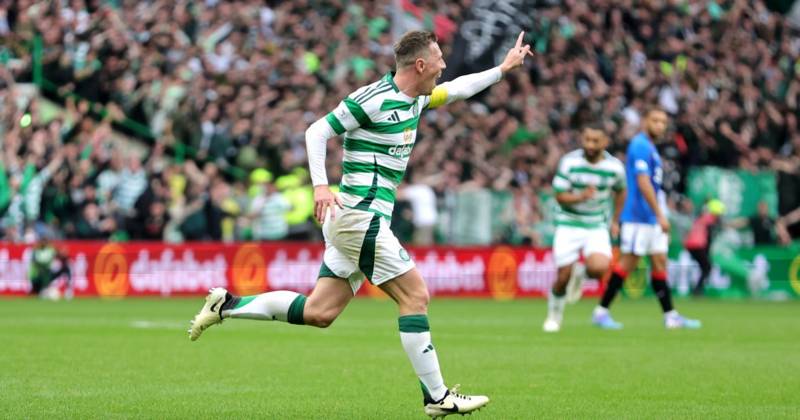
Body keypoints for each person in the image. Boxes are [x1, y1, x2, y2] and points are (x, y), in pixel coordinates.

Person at [189, 30, 533, 417]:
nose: (443, 66)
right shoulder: (373, 99)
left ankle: (228, 305)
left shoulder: (417, 99)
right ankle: (437, 398)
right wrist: (321, 186)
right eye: (439, 59)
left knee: (319, 312)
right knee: (415, 297)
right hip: (358, 217)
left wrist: (502, 69)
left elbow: (457, 89)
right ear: (420, 65)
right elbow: (316, 131)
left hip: (355, 220)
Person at [592, 108, 701, 330]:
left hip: (651, 218)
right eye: (655, 120)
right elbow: (643, 183)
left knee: (659, 261)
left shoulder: (650, 147)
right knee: (627, 263)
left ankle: (670, 316)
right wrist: (660, 214)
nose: (660, 125)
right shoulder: (640, 145)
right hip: (638, 217)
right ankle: (601, 312)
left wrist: (659, 214)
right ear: (645, 121)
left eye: (663, 122)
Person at [542, 123, 626, 333]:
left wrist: (615, 220)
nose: (590, 145)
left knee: (599, 269)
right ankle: (554, 315)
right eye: (587, 140)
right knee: (562, 277)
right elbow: (559, 196)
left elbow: (621, 191)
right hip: (568, 223)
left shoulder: (614, 167)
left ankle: (580, 273)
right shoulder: (569, 162)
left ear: (605, 142)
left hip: (596, 224)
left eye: (595, 141)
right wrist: (581, 196)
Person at [683, 199, 726, 296]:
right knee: (707, 267)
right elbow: (708, 238)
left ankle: (698, 289)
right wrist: (707, 252)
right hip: (698, 245)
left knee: (705, 267)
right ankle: (697, 290)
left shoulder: (703, 217)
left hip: (692, 245)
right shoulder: (710, 220)